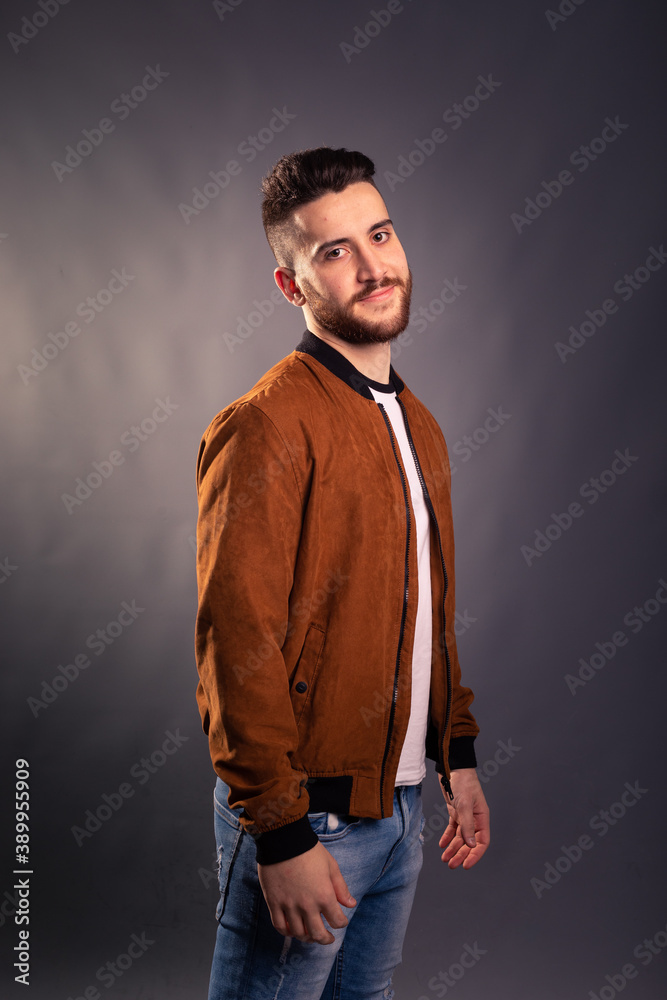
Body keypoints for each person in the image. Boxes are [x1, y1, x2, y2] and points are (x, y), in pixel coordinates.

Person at [194, 146, 490, 1000]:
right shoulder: (266, 424)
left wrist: (454, 753)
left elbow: (428, 607)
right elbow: (234, 641)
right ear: (292, 287)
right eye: (333, 251)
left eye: (380, 234)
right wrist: (281, 836)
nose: (371, 266)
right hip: (307, 816)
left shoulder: (419, 424)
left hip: (399, 811)